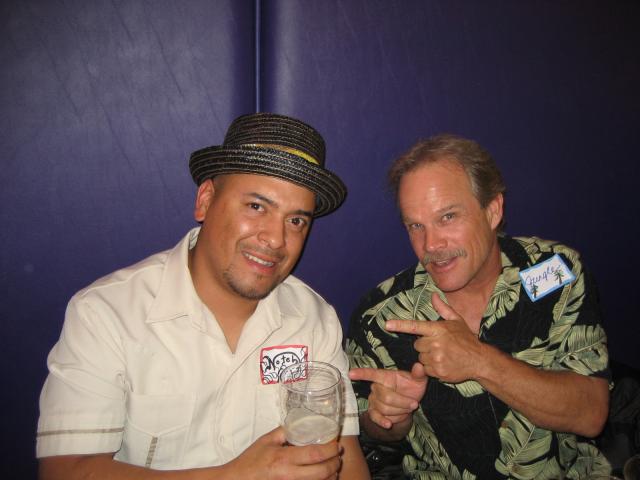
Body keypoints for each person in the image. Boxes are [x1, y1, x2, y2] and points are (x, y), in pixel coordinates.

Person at [37, 113, 370, 480]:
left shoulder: (314, 318)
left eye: (296, 221)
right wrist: (234, 476)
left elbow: (346, 458)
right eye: (256, 206)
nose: (276, 239)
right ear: (206, 200)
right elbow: (64, 470)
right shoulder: (107, 314)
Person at [346, 134, 611, 479]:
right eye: (416, 226)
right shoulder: (381, 317)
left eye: (448, 217)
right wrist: (389, 418)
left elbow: (591, 415)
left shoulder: (556, 272)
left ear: (493, 210)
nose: (431, 244)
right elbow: (372, 434)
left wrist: (478, 360)